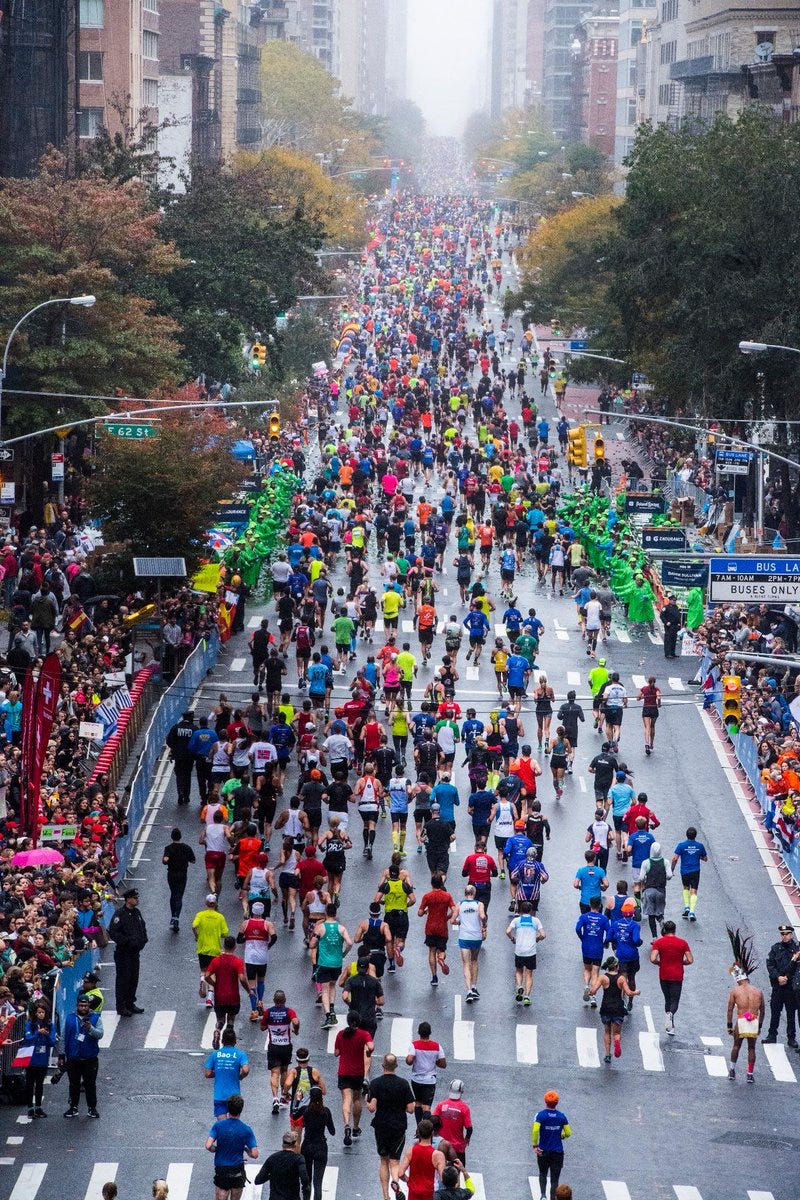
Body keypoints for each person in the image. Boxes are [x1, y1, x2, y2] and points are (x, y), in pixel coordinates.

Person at [366, 1054, 416, 1200]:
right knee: (394, 1160)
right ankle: (395, 1182)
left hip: (381, 1125)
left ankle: (386, 1196)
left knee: (383, 1160)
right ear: (396, 1066)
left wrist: (367, 1101)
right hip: (398, 1126)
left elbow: (372, 1108)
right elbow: (411, 1109)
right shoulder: (403, 1084)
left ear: (383, 1066)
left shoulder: (375, 1083)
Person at [726, 928, 765, 1082]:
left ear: (738, 978)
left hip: (741, 1020)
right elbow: (763, 1010)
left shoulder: (735, 991)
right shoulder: (758, 991)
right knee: (751, 1047)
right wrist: (760, 1026)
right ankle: (749, 1074)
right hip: (754, 1020)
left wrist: (729, 1025)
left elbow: (730, 1009)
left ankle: (732, 1070)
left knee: (736, 1046)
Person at [205, 936, 257, 1047]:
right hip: (233, 996)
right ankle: (228, 1041)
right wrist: (249, 991)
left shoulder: (216, 960)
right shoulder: (237, 961)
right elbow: (242, 978)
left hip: (219, 996)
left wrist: (214, 984)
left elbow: (206, 976)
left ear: (224, 946)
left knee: (221, 1019)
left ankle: (218, 1030)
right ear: (235, 946)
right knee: (231, 1019)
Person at [206, 1093, 259, 1200]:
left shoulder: (218, 1126)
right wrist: (245, 1149)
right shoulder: (246, 1129)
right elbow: (255, 1154)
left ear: (228, 1108)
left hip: (222, 1169)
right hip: (237, 1169)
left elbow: (208, 1145)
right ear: (241, 1110)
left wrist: (217, 1149)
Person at [334, 1009, 374, 1146]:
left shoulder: (341, 1034)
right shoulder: (364, 1034)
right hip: (357, 1072)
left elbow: (336, 1053)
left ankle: (346, 1125)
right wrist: (368, 1052)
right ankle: (356, 1128)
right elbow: (371, 1046)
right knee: (357, 1099)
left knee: (346, 1099)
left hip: (343, 1071)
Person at [310, 903, 353, 1028]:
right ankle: (332, 1008)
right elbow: (349, 943)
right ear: (335, 913)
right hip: (337, 963)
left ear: (326, 913)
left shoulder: (320, 928)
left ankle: (328, 1016)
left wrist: (316, 943)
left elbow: (312, 944)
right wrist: (343, 953)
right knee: (333, 985)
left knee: (325, 989)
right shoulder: (341, 928)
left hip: (324, 963)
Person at [590, 955, 639, 1063]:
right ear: (617, 966)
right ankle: (617, 1042)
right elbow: (628, 992)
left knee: (607, 1031)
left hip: (606, 1007)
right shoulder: (621, 978)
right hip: (617, 1008)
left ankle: (607, 1055)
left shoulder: (603, 977)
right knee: (616, 1033)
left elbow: (593, 991)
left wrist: (589, 992)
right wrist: (636, 992)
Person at [108, 887, 148, 1016]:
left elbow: (142, 927)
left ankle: (130, 1002)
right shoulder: (120, 914)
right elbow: (114, 932)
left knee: (133, 978)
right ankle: (121, 1005)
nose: (137, 900)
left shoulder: (137, 912)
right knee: (123, 979)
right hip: (123, 952)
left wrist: (143, 941)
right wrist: (127, 942)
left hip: (135, 952)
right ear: (128, 899)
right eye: (135, 898)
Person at [62, 994, 104, 1118]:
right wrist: (61, 1054)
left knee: (90, 1084)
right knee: (73, 1083)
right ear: (77, 1005)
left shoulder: (96, 1018)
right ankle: (73, 1107)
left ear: (89, 1006)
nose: (83, 1008)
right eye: (81, 1005)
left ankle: (92, 1108)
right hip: (73, 1058)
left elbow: (100, 1034)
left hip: (89, 1058)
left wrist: (90, 1028)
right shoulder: (70, 1018)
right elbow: (64, 1037)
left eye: (85, 1005)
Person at [650, 919, 693, 1035]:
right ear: (674, 930)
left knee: (667, 999)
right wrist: (681, 962)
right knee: (675, 1000)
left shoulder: (658, 943)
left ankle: (670, 1025)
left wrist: (660, 963)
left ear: (665, 930)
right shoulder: (683, 943)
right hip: (677, 975)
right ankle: (670, 1018)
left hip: (663, 974)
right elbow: (690, 960)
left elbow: (653, 958)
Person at [261, 990, 300, 1113]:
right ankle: (284, 1095)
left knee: (274, 1072)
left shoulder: (268, 1012)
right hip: (285, 1046)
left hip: (273, 1046)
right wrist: (296, 1030)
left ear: (274, 1000)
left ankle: (275, 1098)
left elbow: (262, 1027)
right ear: (284, 1000)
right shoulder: (289, 1011)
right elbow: (296, 1022)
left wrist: (269, 1024)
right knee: (284, 1070)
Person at [763, 924, 800, 1049]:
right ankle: (772, 1035)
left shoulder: (796, 949)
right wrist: (778, 977)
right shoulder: (775, 948)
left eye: (787, 934)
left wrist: (786, 978)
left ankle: (791, 1038)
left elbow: (796, 969)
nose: (784, 936)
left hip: (790, 988)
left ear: (792, 934)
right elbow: (770, 964)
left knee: (791, 1014)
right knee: (775, 1012)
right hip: (778, 986)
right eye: (782, 934)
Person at [418, 873, 457, 987]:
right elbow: (454, 910)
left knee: (431, 951)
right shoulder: (447, 896)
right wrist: (448, 917)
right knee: (442, 950)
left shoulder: (427, 896)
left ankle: (434, 977)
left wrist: (425, 911)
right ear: (441, 883)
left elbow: (419, 913)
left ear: (431, 883)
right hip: (442, 928)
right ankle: (441, 958)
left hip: (430, 928)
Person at [405, 1020, 447, 1125]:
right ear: (430, 1033)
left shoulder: (414, 1045)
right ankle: (425, 1128)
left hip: (416, 1080)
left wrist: (411, 1059)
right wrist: (434, 1061)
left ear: (419, 1032)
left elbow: (409, 1061)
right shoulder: (437, 1046)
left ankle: (418, 1126)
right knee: (427, 1107)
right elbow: (443, 1064)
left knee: (418, 1103)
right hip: (430, 1081)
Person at [531, 1090, 571, 1200]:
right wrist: (561, 1135)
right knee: (555, 1179)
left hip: (543, 1151)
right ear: (557, 1102)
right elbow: (568, 1133)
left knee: (543, 1173)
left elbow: (535, 1131)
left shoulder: (540, 1115)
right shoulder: (562, 1116)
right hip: (557, 1152)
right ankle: (552, 1198)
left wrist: (535, 1145)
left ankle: (543, 1196)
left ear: (545, 1101)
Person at [193, 894, 229, 1011]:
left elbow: (194, 926)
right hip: (215, 949)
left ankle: (202, 979)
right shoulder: (220, 917)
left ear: (206, 903)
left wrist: (197, 936)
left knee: (203, 970)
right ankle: (209, 998)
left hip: (202, 948)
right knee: (213, 973)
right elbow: (225, 933)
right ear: (216, 904)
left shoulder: (200, 915)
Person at [506, 900, 545, 1006]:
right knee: (529, 974)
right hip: (531, 951)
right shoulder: (536, 921)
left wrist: (512, 939)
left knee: (519, 971)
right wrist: (538, 938)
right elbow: (543, 935)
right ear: (531, 910)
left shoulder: (516, 921)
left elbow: (508, 931)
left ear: (520, 910)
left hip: (519, 950)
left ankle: (519, 986)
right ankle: (527, 996)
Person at [204, 1026, 250, 1116]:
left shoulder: (215, 1054)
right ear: (235, 1041)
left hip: (219, 1096)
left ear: (222, 1041)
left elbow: (207, 1073)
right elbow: (245, 1070)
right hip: (234, 1097)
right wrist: (240, 1076)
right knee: (233, 1125)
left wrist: (217, 1072)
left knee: (222, 1126)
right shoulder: (240, 1054)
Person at [253, 1129, 310, 1200]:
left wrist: (271, 1176)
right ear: (295, 1144)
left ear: (283, 1144)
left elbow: (258, 1180)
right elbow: (305, 1180)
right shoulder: (299, 1159)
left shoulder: (272, 1158)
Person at [300, 1087, 335, 1200]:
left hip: (307, 1146)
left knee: (307, 1181)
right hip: (321, 1146)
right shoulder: (326, 1111)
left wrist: (297, 1100)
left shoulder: (305, 1110)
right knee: (318, 1183)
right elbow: (332, 1131)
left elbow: (296, 1116)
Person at [399, 1117, 446, 1200]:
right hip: (430, 1194)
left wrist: (408, 1181)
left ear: (419, 1133)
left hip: (413, 1193)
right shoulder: (438, 1155)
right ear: (432, 1133)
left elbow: (400, 1173)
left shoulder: (410, 1151)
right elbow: (443, 1179)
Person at [453, 884, 486, 1002]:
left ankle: (468, 992)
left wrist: (459, 922)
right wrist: (484, 924)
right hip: (476, 936)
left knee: (466, 963)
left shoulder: (459, 904)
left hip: (464, 937)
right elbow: (482, 916)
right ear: (474, 893)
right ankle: (474, 987)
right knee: (474, 961)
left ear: (465, 893)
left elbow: (452, 920)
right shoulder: (479, 904)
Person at [575, 896, 611, 1006]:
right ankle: (593, 996)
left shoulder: (584, 917)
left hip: (586, 946)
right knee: (595, 972)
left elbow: (577, 928)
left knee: (587, 969)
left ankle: (586, 985)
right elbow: (609, 932)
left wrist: (582, 937)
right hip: (598, 948)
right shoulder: (603, 919)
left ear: (590, 905)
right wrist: (606, 941)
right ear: (600, 905)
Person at [24, 1001, 56, 1117]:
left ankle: (38, 1107)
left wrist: (46, 1035)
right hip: (31, 1059)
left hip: (42, 1060)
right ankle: (30, 1108)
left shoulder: (50, 1025)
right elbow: (28, 1038)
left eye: (43, 1012)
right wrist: (38, 1033)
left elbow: (52, 1042)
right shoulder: (30, 1024)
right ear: (35, 1013)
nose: (41, 1014)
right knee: (30, 1083)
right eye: (39, 1012)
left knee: (39, 1084)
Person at [162, 827, 196, 931]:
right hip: (182, 874)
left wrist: (167, 859)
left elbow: (165, 860)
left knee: (173, 894)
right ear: (180, 837)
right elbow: (193, 860)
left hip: (171, 874)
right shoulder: (186, 848)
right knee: (179, 896)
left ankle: (173, 916)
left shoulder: (168, 848)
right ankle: (176, 917)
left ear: (172, 837)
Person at [671, 827, 707, 921]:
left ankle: (686, 907)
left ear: (686, 835)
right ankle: (692, 912)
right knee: (694, 891)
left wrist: (672, 869)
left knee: (686, 888)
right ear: (695, 836)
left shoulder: (681, 845)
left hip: (684, 871)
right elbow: (705, 859)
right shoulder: (700, 846)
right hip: (695, 871)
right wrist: (697, 855)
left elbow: (675, 858)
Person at [432, 1080, 472, 1164]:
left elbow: (433, 1120)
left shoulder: (441, 1105)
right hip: (457, 1147)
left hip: (441, 1145)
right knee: (458, 1171)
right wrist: (466, 1139)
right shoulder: (464, 1108)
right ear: (462, 1091)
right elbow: (469, 1128)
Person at [638, 842, 672, 938]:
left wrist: (645, 878)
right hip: (661, 890)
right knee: (659, 911)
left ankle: (654, 937)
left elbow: (640, 878)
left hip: (649, 890)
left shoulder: (646, 862)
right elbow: (669, 875)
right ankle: (661, 919)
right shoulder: (665, 862)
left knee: (651, 915)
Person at [636, 675, 661, 756]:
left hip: (646, 709)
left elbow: (638, 698)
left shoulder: (644, 688)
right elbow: (658, 697)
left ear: (648, 682)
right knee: (652, 726)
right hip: (654, 709)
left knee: (647, 727)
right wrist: (659, 704)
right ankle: (651, 744)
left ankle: (646, 744)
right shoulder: (656, 689)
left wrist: (643, 697)